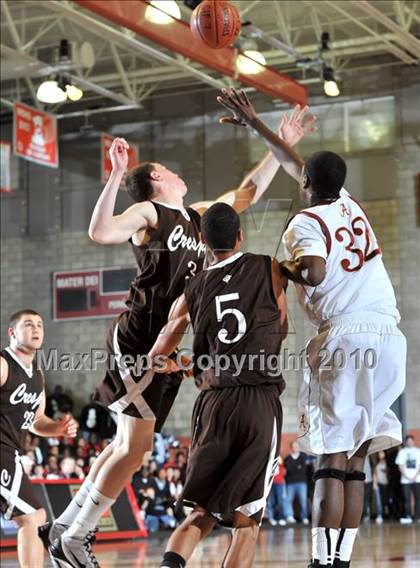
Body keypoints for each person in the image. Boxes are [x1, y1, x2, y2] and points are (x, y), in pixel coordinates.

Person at [48, 106, 311, 567]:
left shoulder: (196, 217)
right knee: (133, 447)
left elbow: (246, 193)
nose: (172, 169)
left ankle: (66, 526)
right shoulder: (149, 212)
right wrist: (114, 175)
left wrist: (278, 143)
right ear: (153, 181)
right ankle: (73, 535)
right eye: (164, 168)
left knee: (129, 447)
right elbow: (100, 231)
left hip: (166, 346)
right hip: (141, 339)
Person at [217, 88, 407, 568]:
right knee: (359, 458)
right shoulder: (351, 206)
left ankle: (322, 561)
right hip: (388, 333)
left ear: (305, 182)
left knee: (330, 459)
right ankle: (341, 559)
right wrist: (261, 128)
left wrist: (287, 270)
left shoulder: (305, 220)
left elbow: (317, 272)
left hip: (345, 336)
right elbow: (301, 162)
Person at [147, 203, 288, 568]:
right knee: (246, 523)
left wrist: (186, 363)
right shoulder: (266, 267)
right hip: (258, 399)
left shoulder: (191, 291)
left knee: (201, 514)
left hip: (213, 404)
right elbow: (283, 326)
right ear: (240, 235)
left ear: (203, 241)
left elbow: (157, 358)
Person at [0, 309, 78, 568]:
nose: (35, 329)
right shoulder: (3, 364)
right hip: (1, 449)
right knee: (33, 517)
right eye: (28, 324)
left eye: (40, 325)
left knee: (33, 518)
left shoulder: (37, 374)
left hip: (12, 451)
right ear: (12, 333)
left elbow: (36, 421)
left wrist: (59, 428)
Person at [395, 435, 420, 523]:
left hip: (417, 479)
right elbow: (400, 466)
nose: (409, 442)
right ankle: (408, 516)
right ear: (406, 442)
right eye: (408, 441)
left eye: (411, 441)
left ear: (413, 442)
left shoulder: (418, 451)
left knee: (418, 498)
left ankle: (417, 517)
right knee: (406, 498)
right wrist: (407, 476)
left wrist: (414, 476)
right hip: (405, 480)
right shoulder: (402, 452)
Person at [284, 441, 309, 524]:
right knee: (288, 500)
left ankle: (304, 517)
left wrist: (296, 467)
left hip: (302, 482)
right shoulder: (287, 459)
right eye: (294, 446)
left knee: (303, 501)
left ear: (299, 447)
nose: (295, 448)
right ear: (291, 448)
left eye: (296, 446)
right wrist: (298, 467)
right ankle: (289, 516)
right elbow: (290, 470)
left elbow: (303, 469)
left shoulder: (303, 456)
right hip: (290, 483)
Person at [267, 455, 287, 526]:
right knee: (271, 502)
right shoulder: (268, 462)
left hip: (279, 484)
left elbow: (281, 464)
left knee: (280, 502)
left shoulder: (280, 463)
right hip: (271, 484)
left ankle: (281, 518)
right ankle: (271, 518)